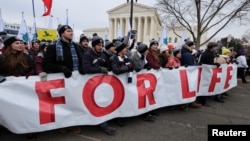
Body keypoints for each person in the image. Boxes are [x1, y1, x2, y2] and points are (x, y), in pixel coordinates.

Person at [42, 25, 83, 134]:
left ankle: (74, 123)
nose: (71, 33)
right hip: (62, 80)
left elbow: (81, 60)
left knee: (75, 101)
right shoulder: (53, 47)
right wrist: (61, 68)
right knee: (63, 104)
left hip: (76, 80)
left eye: (72, 31)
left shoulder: (76, 46)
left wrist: (82, 68)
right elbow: (46, 65)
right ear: (62, 34)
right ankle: (62, 123)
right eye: (68, 31)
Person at [0, 36, 36, 140]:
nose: (20, 45)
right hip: (9, 90)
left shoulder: (26, 57)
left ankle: (29, 129)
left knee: (26, 109)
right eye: (17, 43)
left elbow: (33, 69)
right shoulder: (2, 58)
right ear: (9, 45)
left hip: (24, 88)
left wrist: (29, 75)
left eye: (21, 43)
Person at [82, 35, 116, 135]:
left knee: (102, 103)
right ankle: (103, 124)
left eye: (101, 45)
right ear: (93, 46)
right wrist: (99, 69)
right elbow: (86, 68)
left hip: (102, 85)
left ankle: (103, 121)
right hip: (91, 85)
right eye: (98, 45)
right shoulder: (87, 55)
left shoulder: (103, 55)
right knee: (95, 104)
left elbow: (108, 67)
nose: (100, 47)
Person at [130, 43, 157, 122]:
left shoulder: (143, 56)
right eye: (146, 50)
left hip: (142, 79)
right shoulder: (135, 57)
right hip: (137, 79)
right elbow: (137, 68)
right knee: (139, 97)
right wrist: (144, 66)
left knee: (144, 96)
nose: (147, 51)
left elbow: (145, 64)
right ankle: (142, 114)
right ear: (143, 50)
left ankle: (146, 113)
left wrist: (148, 66)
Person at [197, 42, 220, 106]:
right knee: (205, 86)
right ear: (212, 47)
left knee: (203, 85)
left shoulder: (206, 53)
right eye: (215, 47)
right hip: (206, 72)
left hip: (204, 71)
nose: (216, 48)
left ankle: (201, 100)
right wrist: (216, 64)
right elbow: (209, 64)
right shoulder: (209, 54)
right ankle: (203, 101)